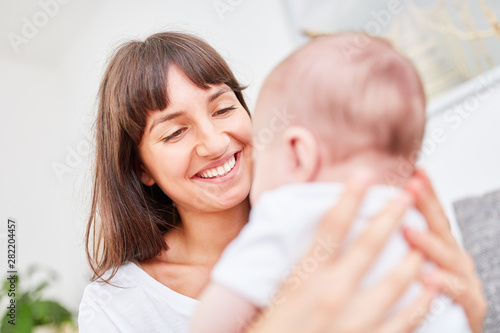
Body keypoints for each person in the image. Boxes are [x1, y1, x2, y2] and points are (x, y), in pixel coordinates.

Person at [78, 32, 486, 332]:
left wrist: (471, 311)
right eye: (174, 133)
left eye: (222, 108)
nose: (216, 142)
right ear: (141, 168)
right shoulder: (116, 307)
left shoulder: (355, 223)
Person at [192, 34, 472, 333]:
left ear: (299, 155)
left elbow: (212, 323)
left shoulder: (285, 213)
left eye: (261, 154)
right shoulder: (418, 217)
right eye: (174, 133)